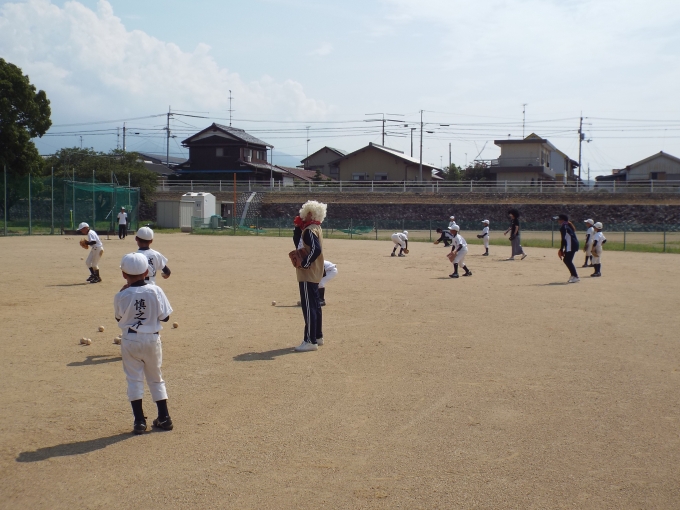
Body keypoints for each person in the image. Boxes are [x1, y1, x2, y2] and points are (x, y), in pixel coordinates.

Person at [114, 253, 174, 434]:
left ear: (124, 274)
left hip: (130, 340)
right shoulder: (156, 290)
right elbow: (165, 317)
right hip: (152, 339)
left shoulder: (121, 295)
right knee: (156, 378)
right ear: (147, 272)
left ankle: (139, 421)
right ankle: (164, 417)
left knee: (134, 379)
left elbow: (118, 318)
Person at [292, 200, 326, 352]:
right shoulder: (316, 227)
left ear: (310, 213)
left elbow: (315, 249)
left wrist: (305, 263)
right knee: (315, 305)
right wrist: (297, 229)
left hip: (308, 273)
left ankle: (310, 340)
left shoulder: (309, 230)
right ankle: (317, 336)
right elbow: (302, 245)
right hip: (316, 272)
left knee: (309, 307)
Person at [557, 214, 580, 283]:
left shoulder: (564, 227)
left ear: (562, 220)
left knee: (568, 260)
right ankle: (573, 275)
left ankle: (575, 276)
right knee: (566, 260)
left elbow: (563, 239)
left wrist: (561, 249)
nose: (558, 221)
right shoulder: (567, 226)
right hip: (571, 245)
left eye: (559, 219)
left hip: (571, 245)